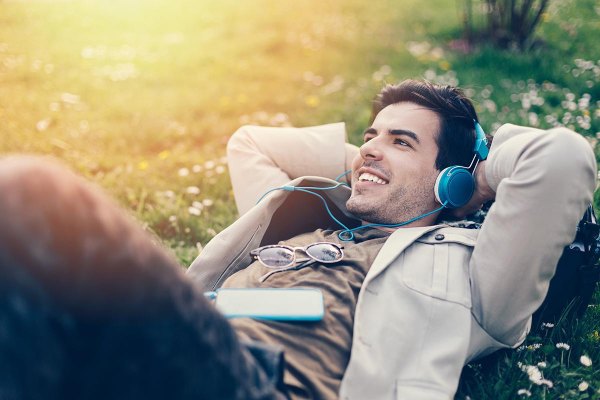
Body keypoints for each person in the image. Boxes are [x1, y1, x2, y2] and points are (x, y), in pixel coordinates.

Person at [0, 80, 595, 400]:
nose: (369, 146)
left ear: (453, 176)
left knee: (28, 196)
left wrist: (475, 182)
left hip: (265, 386)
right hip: (166, 354)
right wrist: (372, 170)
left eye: (401, 141)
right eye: (370, 135)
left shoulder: (473, 277)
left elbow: (562, 159)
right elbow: (251, 143)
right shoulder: (303, 218)